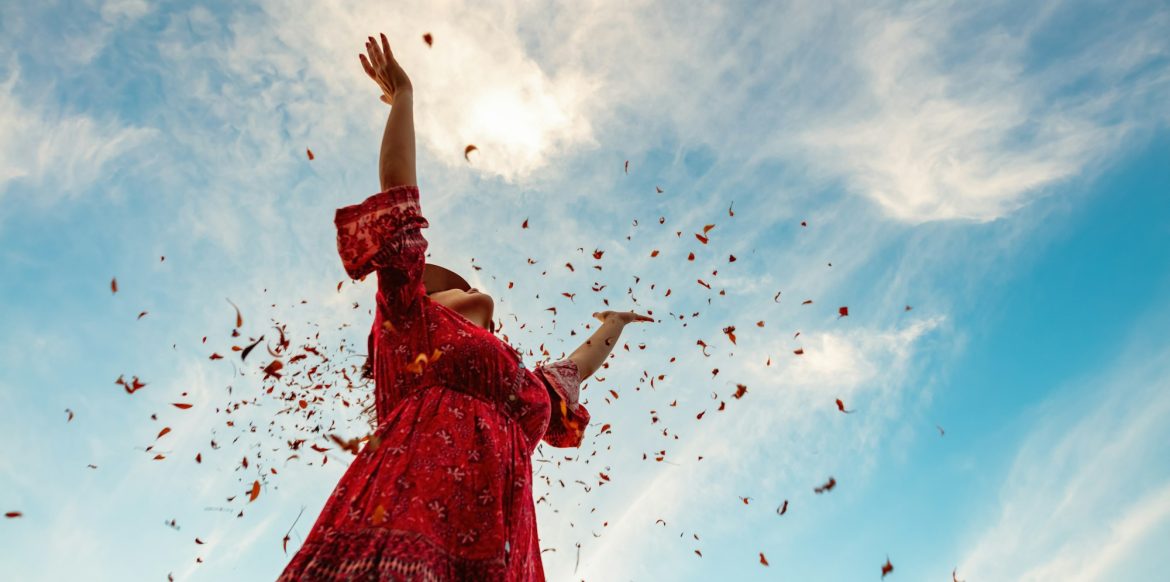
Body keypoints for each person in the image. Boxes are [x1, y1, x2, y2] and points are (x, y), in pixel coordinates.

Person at [277, 33, 655, 581]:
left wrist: (615, 324)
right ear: (426, 298)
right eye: (451, 284)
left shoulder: (520, 382)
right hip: (410, 517)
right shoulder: (409, 322)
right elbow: (399, 193)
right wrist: (405, 96)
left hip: (505, 550)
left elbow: (576, 370)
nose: (472, 292)